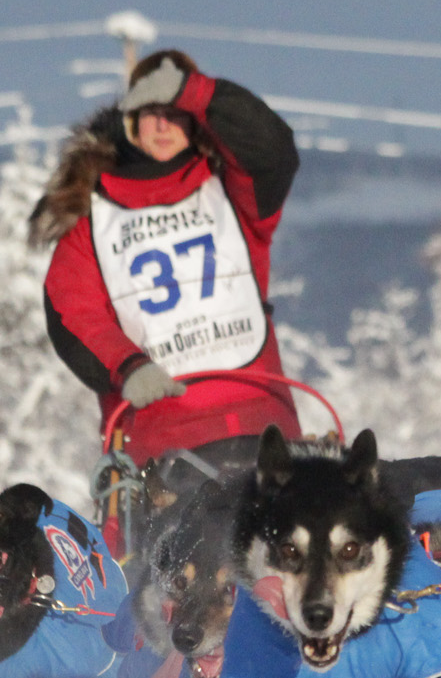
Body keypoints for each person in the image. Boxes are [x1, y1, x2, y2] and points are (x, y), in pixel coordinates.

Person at [29, 49, 303, 493]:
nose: (162, 125)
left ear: (196, 120)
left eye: (176, 113)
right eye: (150, 112)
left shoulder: (232, 195)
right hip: (163, 455)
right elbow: (72, 312)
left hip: (264, 433)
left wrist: (196, 91)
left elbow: (272, 151)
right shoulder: (93, 217)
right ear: (129, 120)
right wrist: (128, 367)